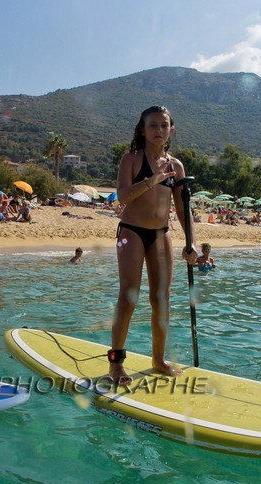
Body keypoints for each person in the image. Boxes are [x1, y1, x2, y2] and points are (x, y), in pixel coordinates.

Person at [106, 106, 197, 385]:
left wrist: (190, 243)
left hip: (161, 233)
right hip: (130, 232)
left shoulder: (177, 165)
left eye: (164, 125)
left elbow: (183, 208)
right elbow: (122, 197)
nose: (159, 130)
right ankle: (116, 363)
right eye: (153, 126)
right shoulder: (131, 159)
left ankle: (158, 359)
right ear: (142, 130)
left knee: (162, 299)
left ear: (171, 129)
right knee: (128, 296)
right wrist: (152, 180)